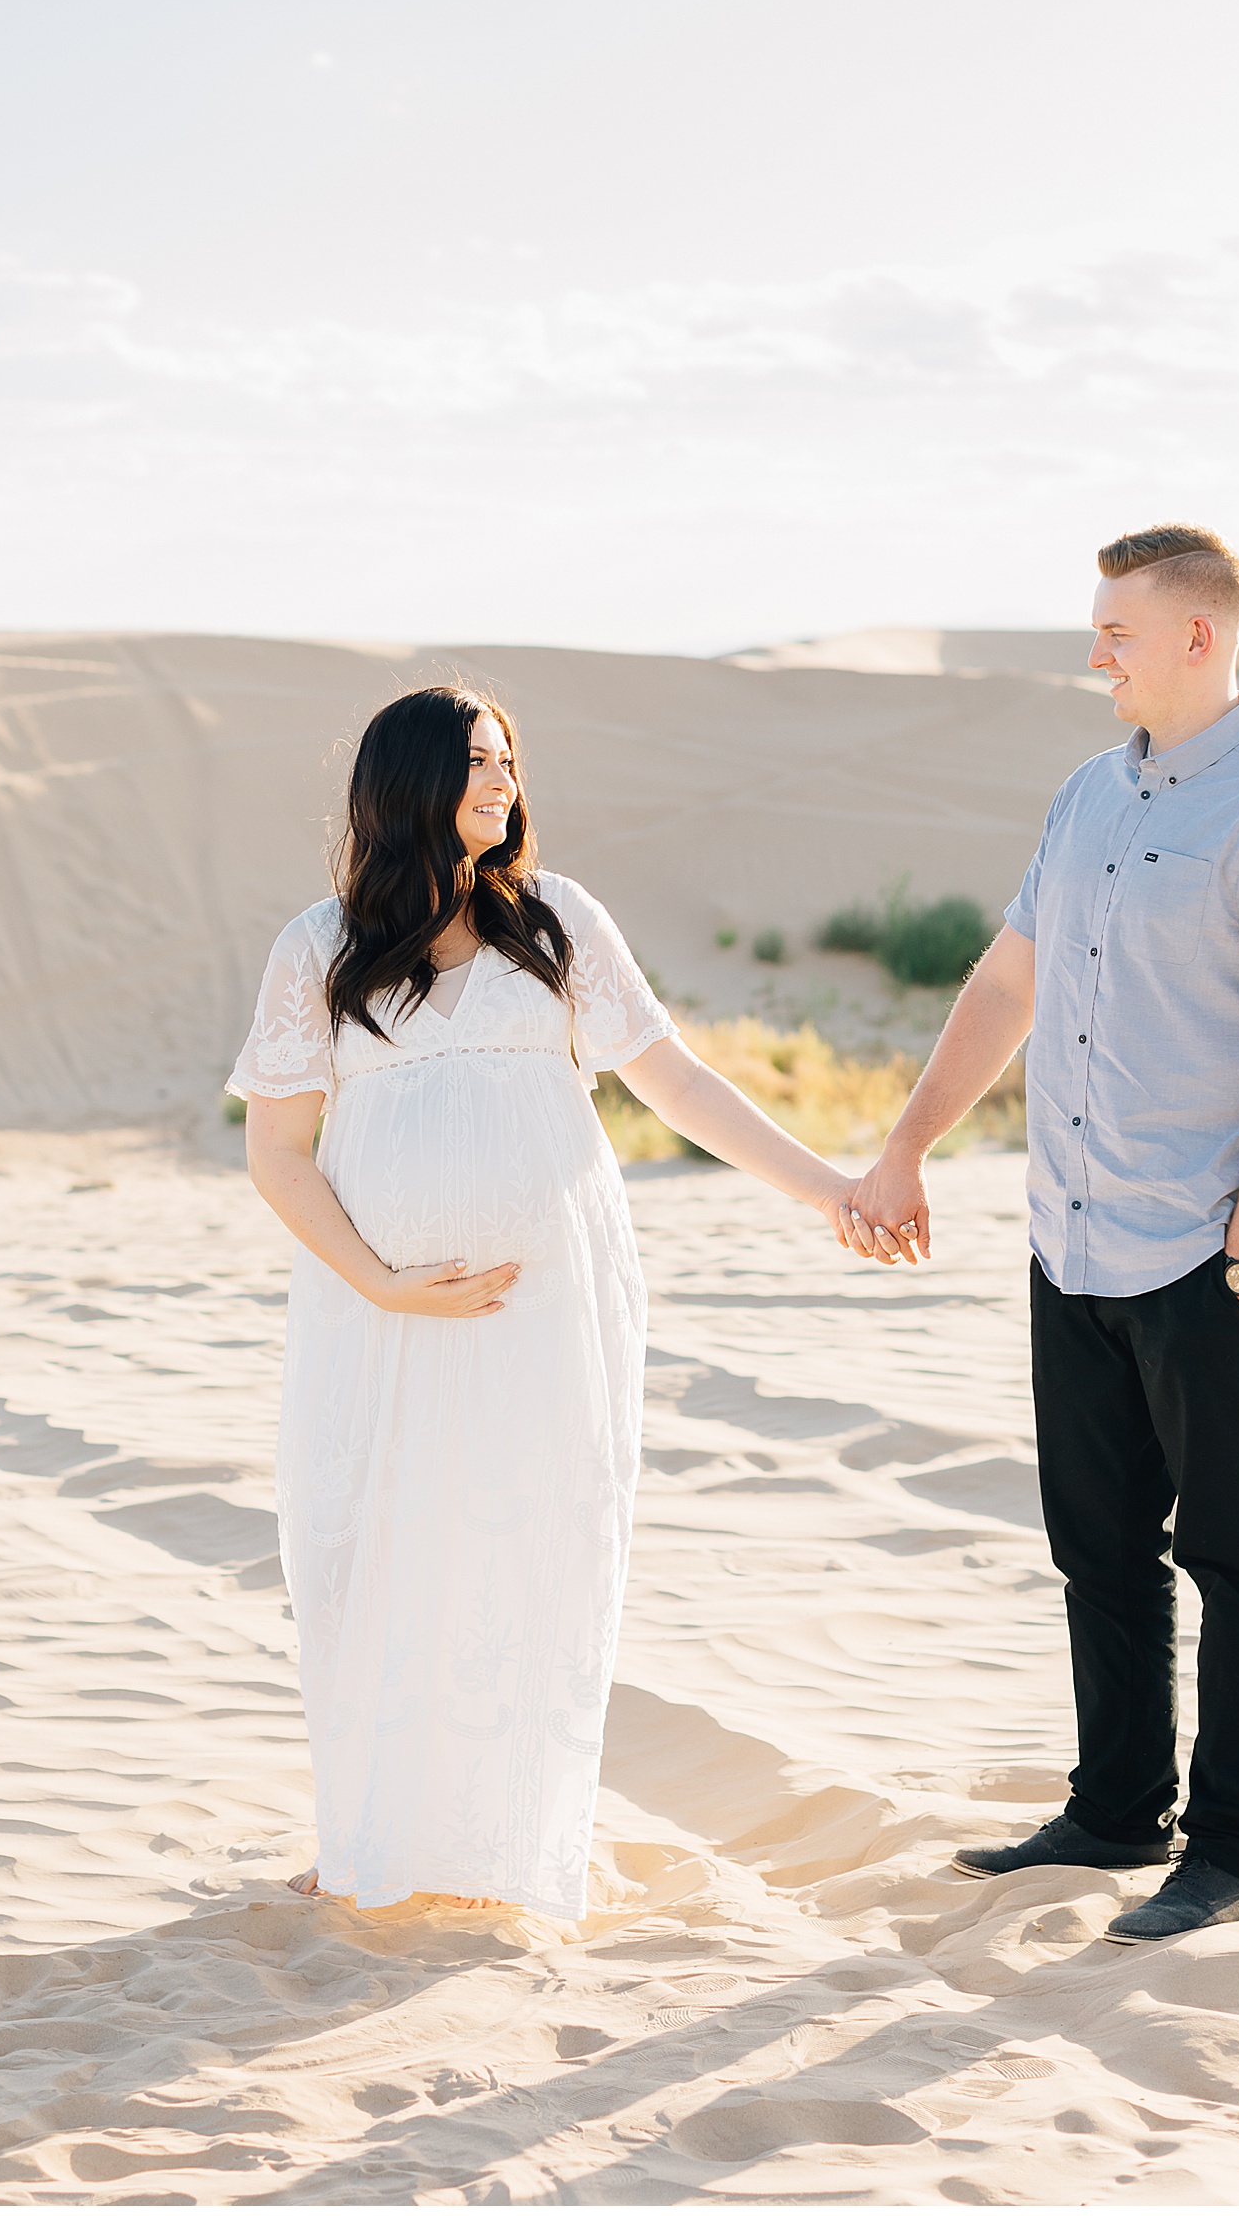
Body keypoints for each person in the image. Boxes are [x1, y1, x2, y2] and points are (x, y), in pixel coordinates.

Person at [229, 684, 868, 1920]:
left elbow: (676, 1083)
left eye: (509, 761)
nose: (503, 783)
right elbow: (276, 1152)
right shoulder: (319, 945)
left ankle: (512, 1842)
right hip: (381, 1313)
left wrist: (828, 1186)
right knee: (369, 1547)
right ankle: (370, 1835)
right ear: (406, 779)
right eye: (477, 761)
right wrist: (385, 1284)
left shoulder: (558, 921)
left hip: (550, 1300)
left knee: (532, 1540)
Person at [845, 524, 1239, 1942]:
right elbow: (1005, 984)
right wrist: (907, 1145)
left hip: (1211, 1251)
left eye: (1116, 632)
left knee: (1238, 1564)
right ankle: (1118, 1809)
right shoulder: (1087, 796)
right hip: (1071, 1240)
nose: (1096, 654)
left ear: (1198, 637)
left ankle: (1235, 1849)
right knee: (1101, 1549)